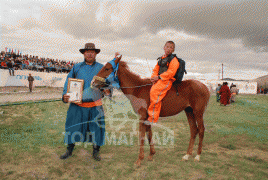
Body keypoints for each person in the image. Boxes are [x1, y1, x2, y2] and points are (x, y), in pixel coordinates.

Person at [60, 43, 111, 161]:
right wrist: (64, 95)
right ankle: (69, 149)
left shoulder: (101, 68)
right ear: (83, 53)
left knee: (97, 128)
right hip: (77, 105)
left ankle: (96, 151)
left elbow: (107, 84)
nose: (89, 53)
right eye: (87, 51)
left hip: (95, 105)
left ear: (96, 53)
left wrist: (107, 91)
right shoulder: (76, 67)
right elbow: (68, 82)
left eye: (92, 51)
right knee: (72, 126)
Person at [147, 41, 180, 123]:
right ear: (164, 47)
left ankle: (152, 119)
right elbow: (155, 70)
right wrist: (153, 77)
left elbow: (171, 72)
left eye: (171, 47)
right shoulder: (161, 59)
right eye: (167, 47)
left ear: (173, 50)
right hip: (159, 79)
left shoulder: (174, 60)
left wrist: (159, 77)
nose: (168, 49)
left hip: (167, 80)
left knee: (154, 93)